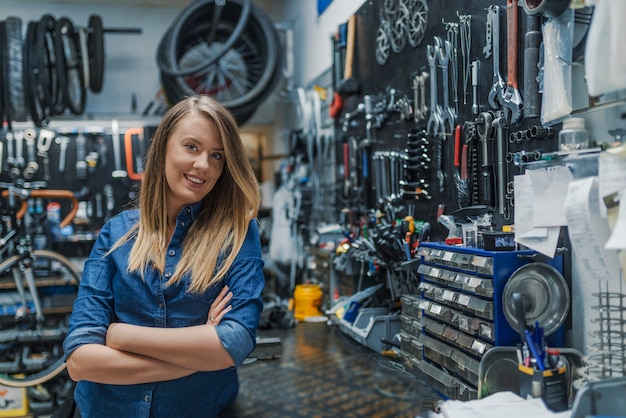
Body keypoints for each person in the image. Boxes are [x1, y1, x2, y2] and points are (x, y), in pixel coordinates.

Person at [63, 95, 265, 417]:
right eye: (192, 147)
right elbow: (80, 361)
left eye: (217, 156)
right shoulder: (116, 234)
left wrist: (120, 335)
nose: (204, 166)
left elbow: (235, 343)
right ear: (164, 148)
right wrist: (196, 357)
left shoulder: (238, 236)